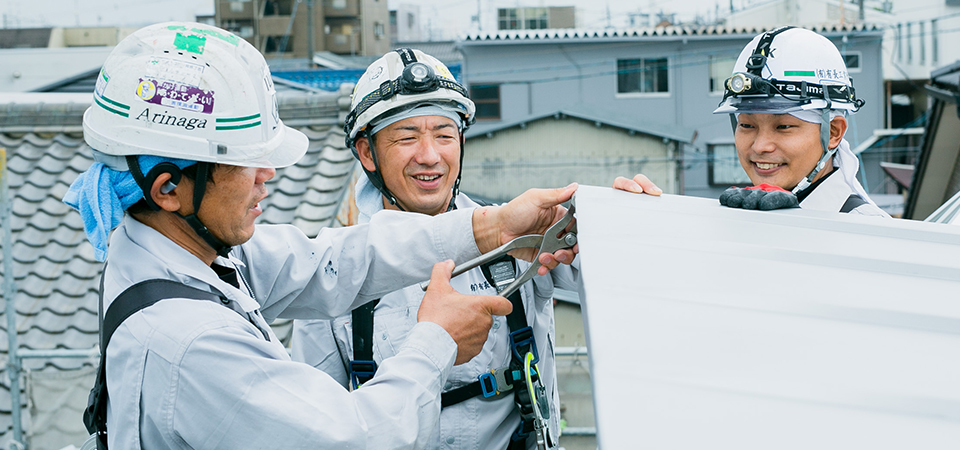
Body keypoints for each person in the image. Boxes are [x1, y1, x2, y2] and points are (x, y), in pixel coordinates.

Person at [63, 23, 579, 450]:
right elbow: (355, 439)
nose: (267, 175)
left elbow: (333, 260)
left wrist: (494, 226)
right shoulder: (193, 345)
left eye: (444, 133)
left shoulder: (184, 253)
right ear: (169, 187)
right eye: (245, 160)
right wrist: (436, 340)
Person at [290, 48, 662, 450]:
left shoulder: (519, 234)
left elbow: (631, 277)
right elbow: (317, 428)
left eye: (445, 135)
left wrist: (631, 223)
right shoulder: (334, 278)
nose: (430, 155)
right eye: (407, 136)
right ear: (367, 153)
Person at [714, 26, 889, 217]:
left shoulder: (866, 230)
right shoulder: (747, 217)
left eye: (783, 127)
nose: (760, 146)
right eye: (747, 125)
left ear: (833, 133)